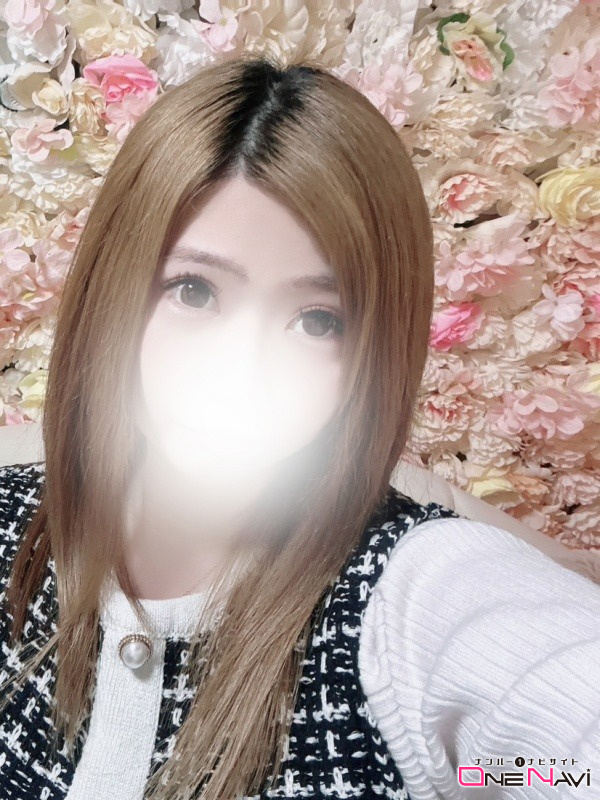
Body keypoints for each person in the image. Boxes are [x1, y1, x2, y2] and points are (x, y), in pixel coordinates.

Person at [1, 54, 599, 800]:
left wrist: (485, 779)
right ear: (111, 293)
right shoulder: (12, 525)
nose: (242, 371)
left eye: (318, 321)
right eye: (194, 291)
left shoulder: (413, 595)